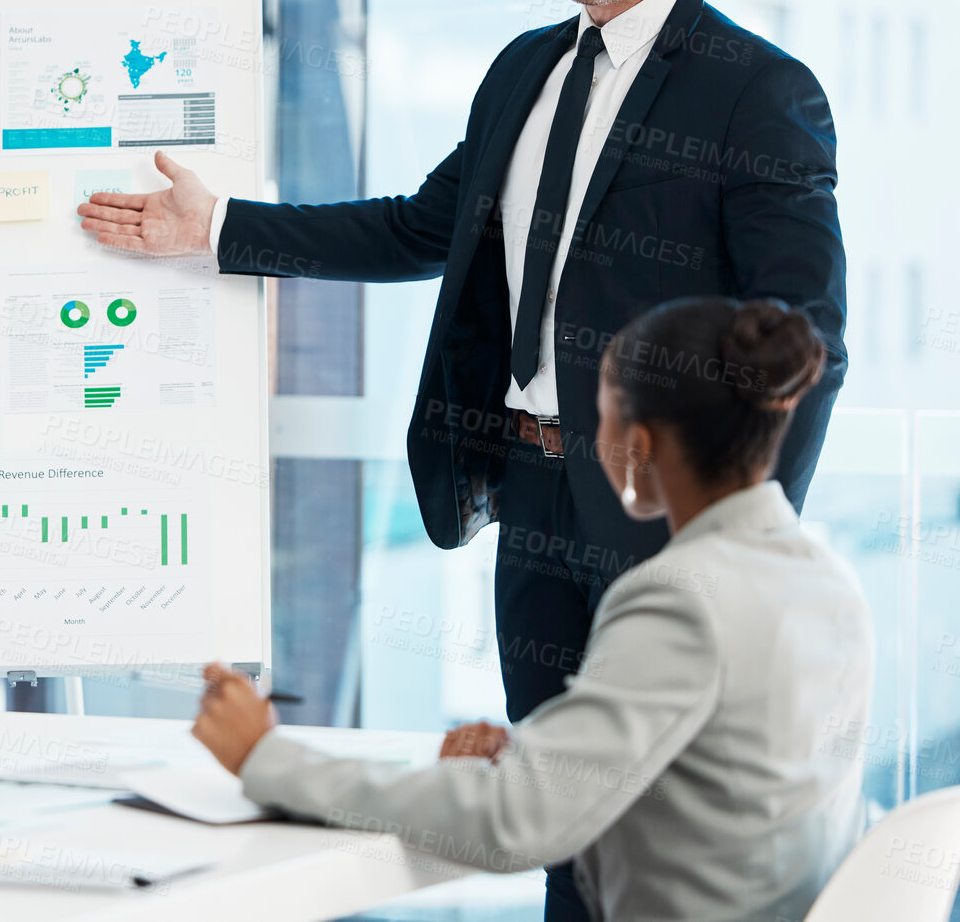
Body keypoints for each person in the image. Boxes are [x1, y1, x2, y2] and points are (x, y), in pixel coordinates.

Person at [77, 0, 844, 918]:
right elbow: (418, 229)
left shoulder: (758, 91)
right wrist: (222, 228)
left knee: (657, 814)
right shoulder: (525, 70)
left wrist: (737, 535)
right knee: (554, 823)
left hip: (663, 505)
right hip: (534, 491)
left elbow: (807, 332)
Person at [192, 298, 872, 922]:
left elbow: (514, 822)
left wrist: (267, 756)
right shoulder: (824, 579)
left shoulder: (680, 597)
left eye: (593, 411)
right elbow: (727, 779)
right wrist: (540, 755)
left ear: (636, 445)